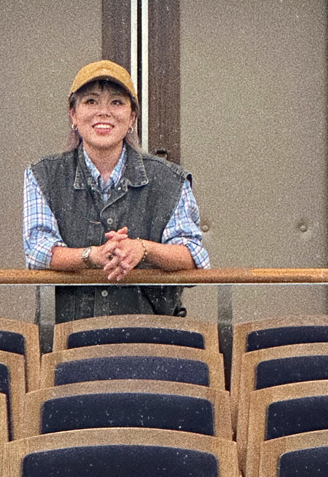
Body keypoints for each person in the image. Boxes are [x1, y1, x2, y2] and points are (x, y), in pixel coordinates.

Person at [23, 60, 210, 321]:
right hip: (66, 341)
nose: (103, 112)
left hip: (154, 337)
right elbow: (38, 251)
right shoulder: (42, 175)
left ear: (132, 116)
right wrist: (92, 256)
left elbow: (194, 256)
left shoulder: (170, 179)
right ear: (73, 114)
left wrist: (143, 249)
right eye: (90, 101)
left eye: (117, 102)